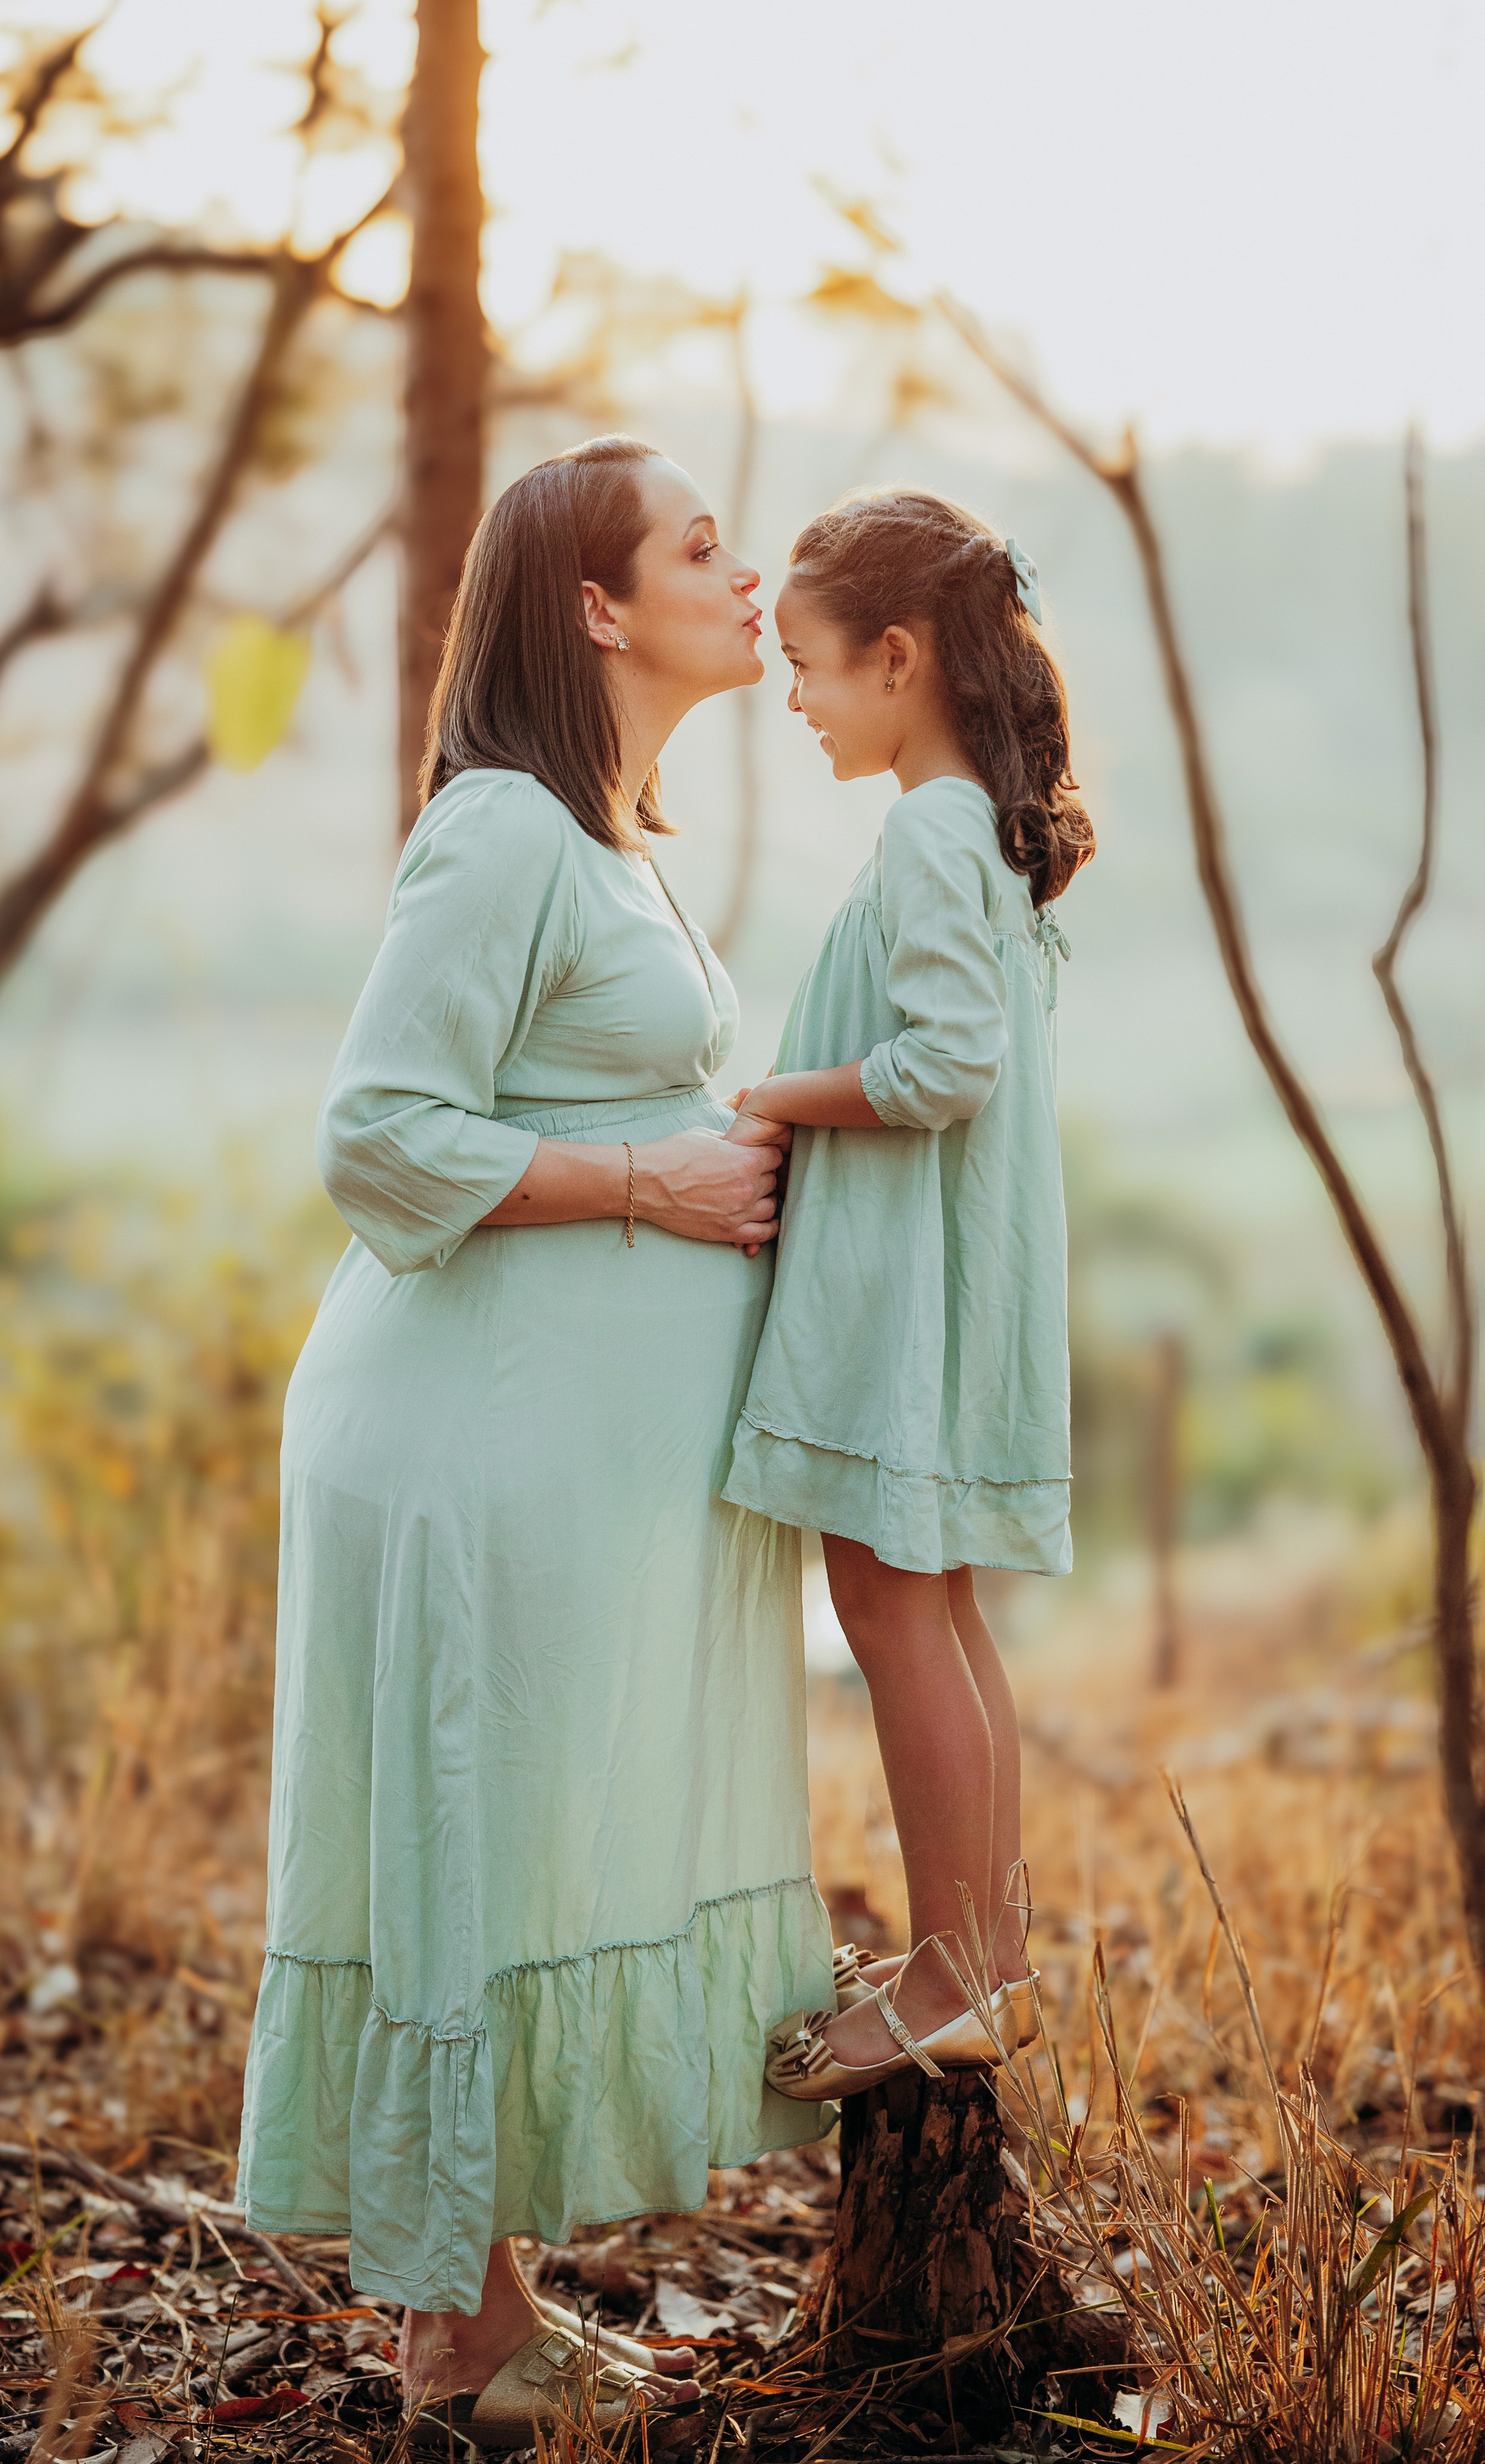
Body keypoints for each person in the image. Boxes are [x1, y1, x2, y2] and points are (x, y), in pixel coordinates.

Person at [235, 437, 836, 2443]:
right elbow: (381, 1133)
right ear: (593, 606)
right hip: (466, 1440)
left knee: (521, 1825)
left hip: (552, 1446)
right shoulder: (500, 828)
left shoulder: (602, 840)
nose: (750, 576)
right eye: (701, 546)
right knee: (477, 1827)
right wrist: (653, 1190)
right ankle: (456, 2337)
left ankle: (474, 2309)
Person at [719, 488, 1094, 2099]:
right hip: (941, 1279)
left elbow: (945, 1066)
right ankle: (986, 1954)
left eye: (807, 666)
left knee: (885, 1607)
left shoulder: (932, 828)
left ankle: (948, 1966)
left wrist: (769, 1100)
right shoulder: (971, 828)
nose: (790, 699)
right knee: (928, 1608)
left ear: (898, 654)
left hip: (901, 1294)